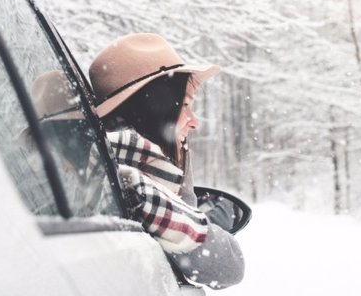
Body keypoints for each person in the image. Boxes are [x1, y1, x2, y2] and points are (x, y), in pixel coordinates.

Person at [89, 33, 245, 289]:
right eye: (184, 105)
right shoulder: (134, 184)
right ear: (155, 109)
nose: (194, 122)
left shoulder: (105, 163)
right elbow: (229, 266)